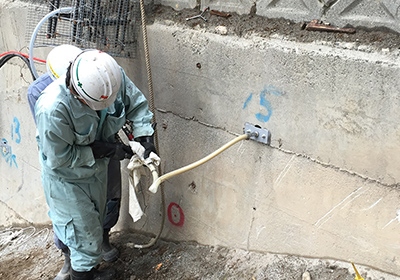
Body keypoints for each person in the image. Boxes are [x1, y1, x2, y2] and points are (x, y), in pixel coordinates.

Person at [34, 49, 157, 280]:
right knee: (83, 236)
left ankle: (88, 271)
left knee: (94, 225)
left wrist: (144, 138)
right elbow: (59, 158)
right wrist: (104, 149)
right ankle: (82, 273)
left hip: (96, 172)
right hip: (67, 180)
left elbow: (137, 106)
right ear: (76, 93)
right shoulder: (52, 109)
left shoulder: (109, 77)